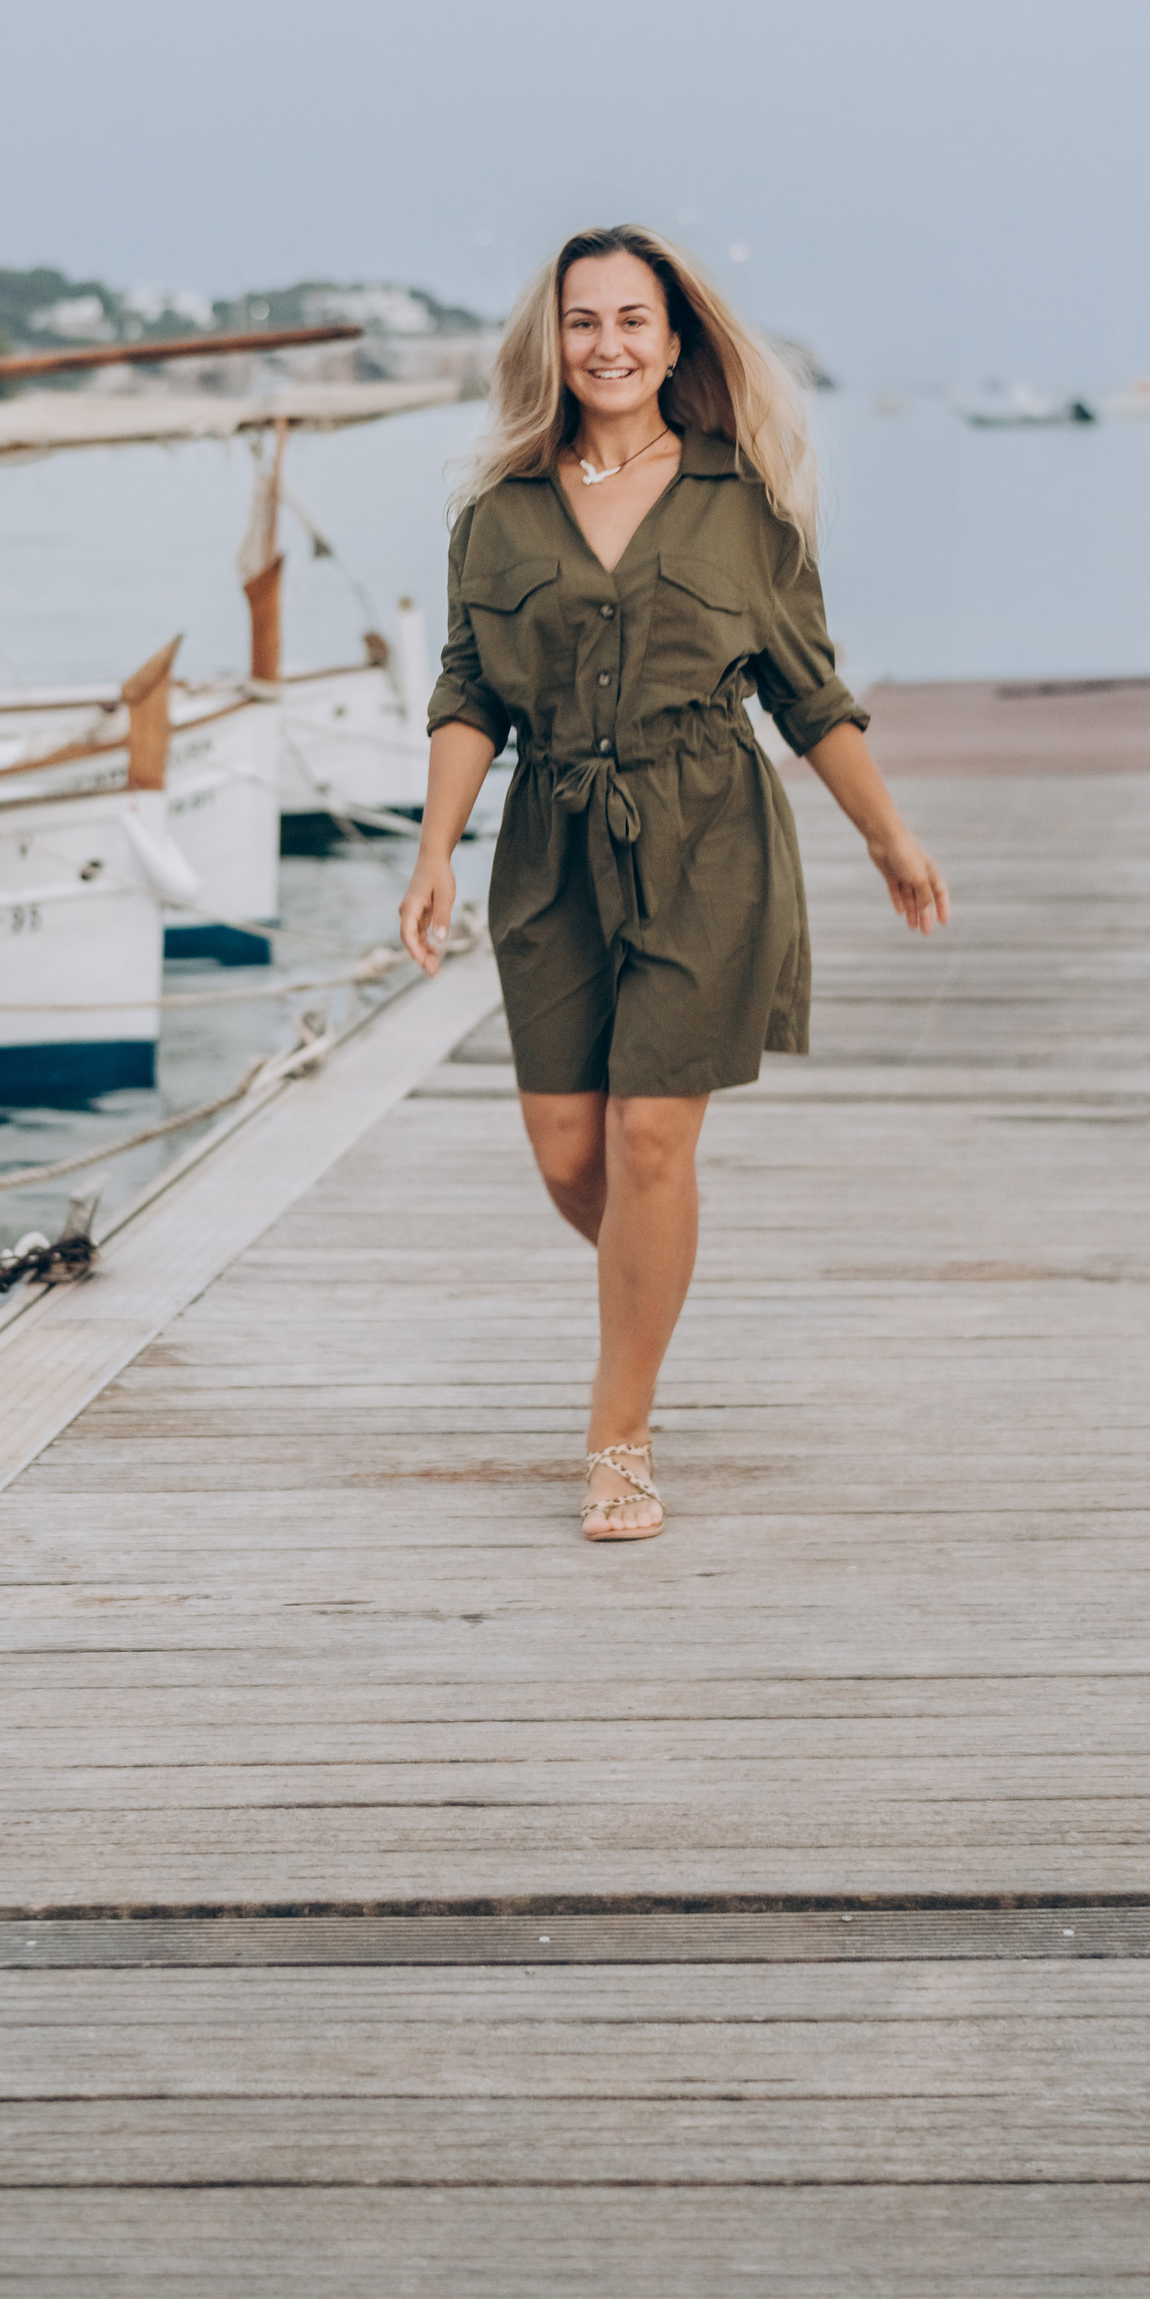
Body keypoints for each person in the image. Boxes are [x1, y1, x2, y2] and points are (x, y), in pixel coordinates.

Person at [397, 224, 949, 1543]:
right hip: (550, 848)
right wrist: (433, 853)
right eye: (583, 322)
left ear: (676, 339)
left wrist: (886, 834)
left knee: (653, 1141)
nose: (608, 346)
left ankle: (618, 1442)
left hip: (707, 835)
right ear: (553, 343)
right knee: (570, 1148)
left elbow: (809, 692)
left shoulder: (743, 503)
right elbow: (470, 691)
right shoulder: (498, 516)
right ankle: (657, 1276)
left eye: (633, 321)